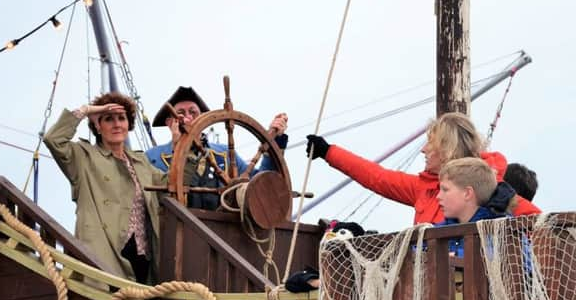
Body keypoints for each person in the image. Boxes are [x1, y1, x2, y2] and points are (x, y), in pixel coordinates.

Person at [305, 112, 540, 224]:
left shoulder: (488, 187)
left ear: (447, 149)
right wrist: (329, 152)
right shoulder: (423, 188)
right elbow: (378, 178)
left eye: (430, 143)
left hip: (472, 296)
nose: (423, 150)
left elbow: (539, 223)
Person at [44, 92, 164, 285]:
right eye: (108, 119)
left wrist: (181, 141)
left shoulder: (141, 162)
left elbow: (171, 183)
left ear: (128, 125)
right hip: (105, 251)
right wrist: (86, 111)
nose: (117, 124)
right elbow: (53, 139)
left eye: (121, 118)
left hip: (142, 254)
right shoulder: (83, 157)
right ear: (98, 127)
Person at [146, 86, 289, 210]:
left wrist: (274, 141)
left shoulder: (224, 154)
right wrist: (179, 147)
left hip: (222, 237)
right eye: (181, 113)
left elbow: (259, 187)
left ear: (203, 118)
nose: (188, 118)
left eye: (193, 112)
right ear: (170, 122)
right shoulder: (152, 158)